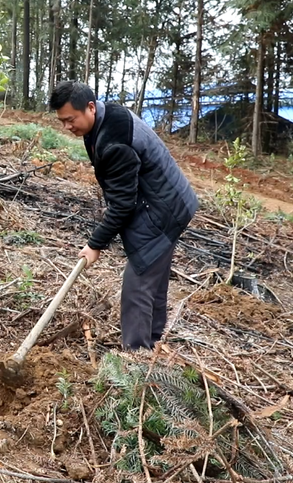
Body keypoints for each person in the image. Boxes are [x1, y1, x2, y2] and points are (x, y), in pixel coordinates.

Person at [49, 81, 198, 350]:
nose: (67, 127)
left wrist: (95, 244)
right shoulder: (106, 117)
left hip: (163, 209)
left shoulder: (114, 143)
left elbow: (122, 205)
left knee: (138, 284)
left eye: (70, 119)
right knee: (153, 278)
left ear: (90, 107)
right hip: (166, 201)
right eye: (62, 122)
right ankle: (154, 345)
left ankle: (136, 358)